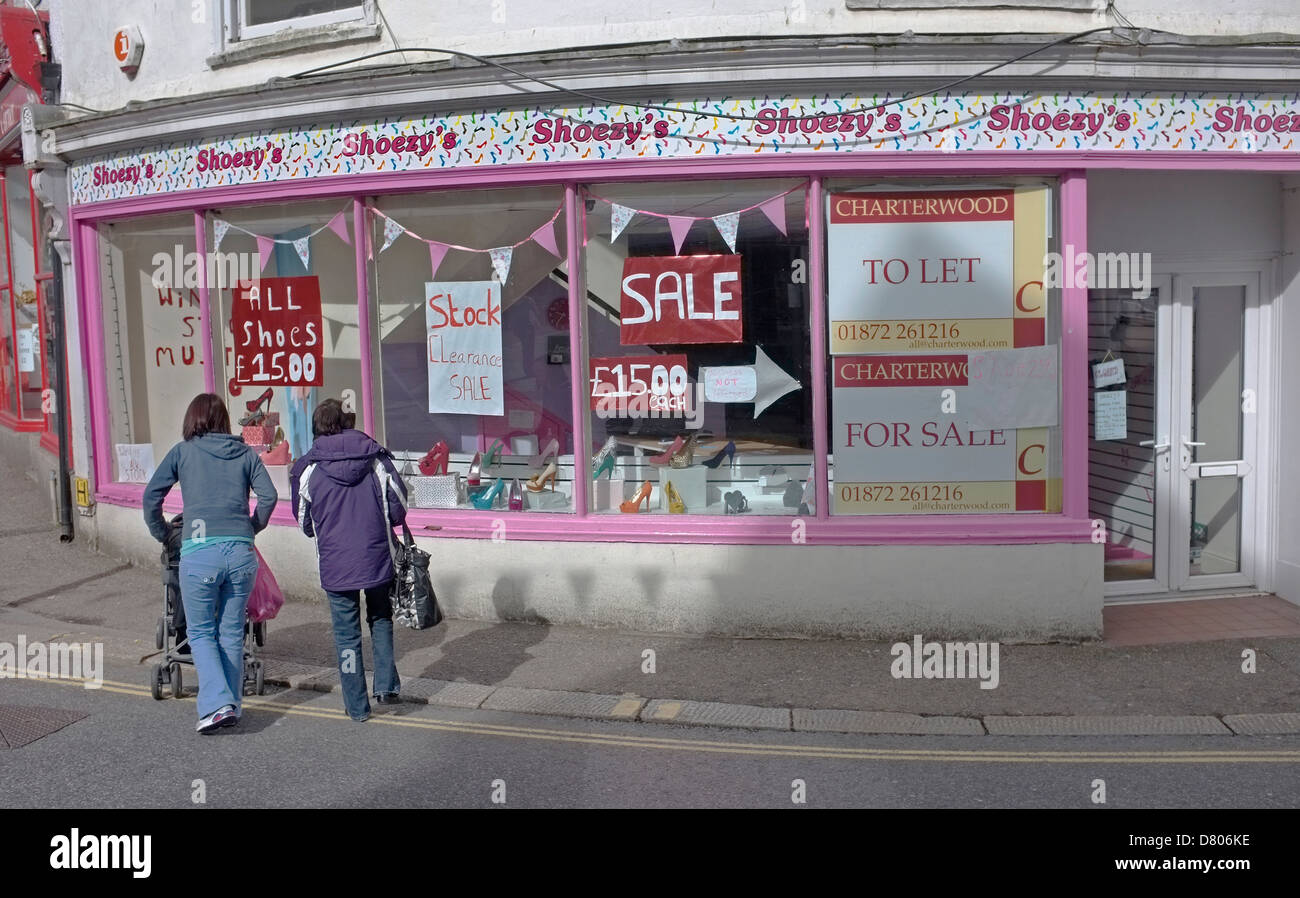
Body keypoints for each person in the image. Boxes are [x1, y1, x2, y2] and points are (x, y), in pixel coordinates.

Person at [143, 393, 277, 734]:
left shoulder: (182, 452)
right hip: (241, 553)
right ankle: (231, 705)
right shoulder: (246, 454)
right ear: (223, 421)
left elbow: (151, 497)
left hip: (200, 553)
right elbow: (269, 496)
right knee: (231, 633)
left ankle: (217, 704)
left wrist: (164, 534)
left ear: (192, 420)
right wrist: (252, 526)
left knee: (201, 633)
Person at [290, 399, 408, 722]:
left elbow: (304, 523)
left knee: (347, 636)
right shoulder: (375, 460)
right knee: (381, 618)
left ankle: (357, 706)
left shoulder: (308, 469)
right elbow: (398, 509)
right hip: (376, 558)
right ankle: (385, 686)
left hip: (336, 564)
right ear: (347, 423)